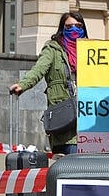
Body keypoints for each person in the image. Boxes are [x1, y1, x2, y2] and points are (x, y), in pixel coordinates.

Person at [10, 11, 86, 155]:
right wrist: (23, 84)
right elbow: (39, 69)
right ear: (62, 28)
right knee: (71, 162)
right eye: (69, 27)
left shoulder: (90, 49)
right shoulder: (53, 48)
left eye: (78, 26)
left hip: (87, 118)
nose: (74, 30)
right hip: (65, 116)